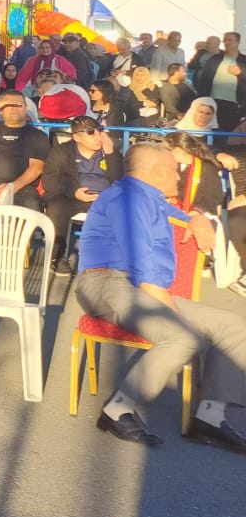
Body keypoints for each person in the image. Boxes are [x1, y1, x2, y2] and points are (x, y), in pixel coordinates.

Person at [73, 143, 246, 452]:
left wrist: (196, 218)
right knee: (182, 337)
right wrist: (170, 311)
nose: (179, 174)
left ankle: (210, 415)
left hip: (140, 287)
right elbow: (141, 259)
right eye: (173, 168)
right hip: (106, 281)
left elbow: (176, 215)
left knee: (234, 327)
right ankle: (118, 409)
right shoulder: (126, 198)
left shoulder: (147, 196)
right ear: (154, 171)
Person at [41, 115, 123, 265]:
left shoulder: (108, 151)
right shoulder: (61, 152)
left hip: (104, 198)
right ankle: (57, 257)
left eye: (100, 131)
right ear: (77, 137)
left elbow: (119, 180)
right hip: (72, 196)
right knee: (57, 207)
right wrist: (74, 193)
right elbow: (50, 181)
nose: (98, 137)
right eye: (91, 133)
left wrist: (111, 153)